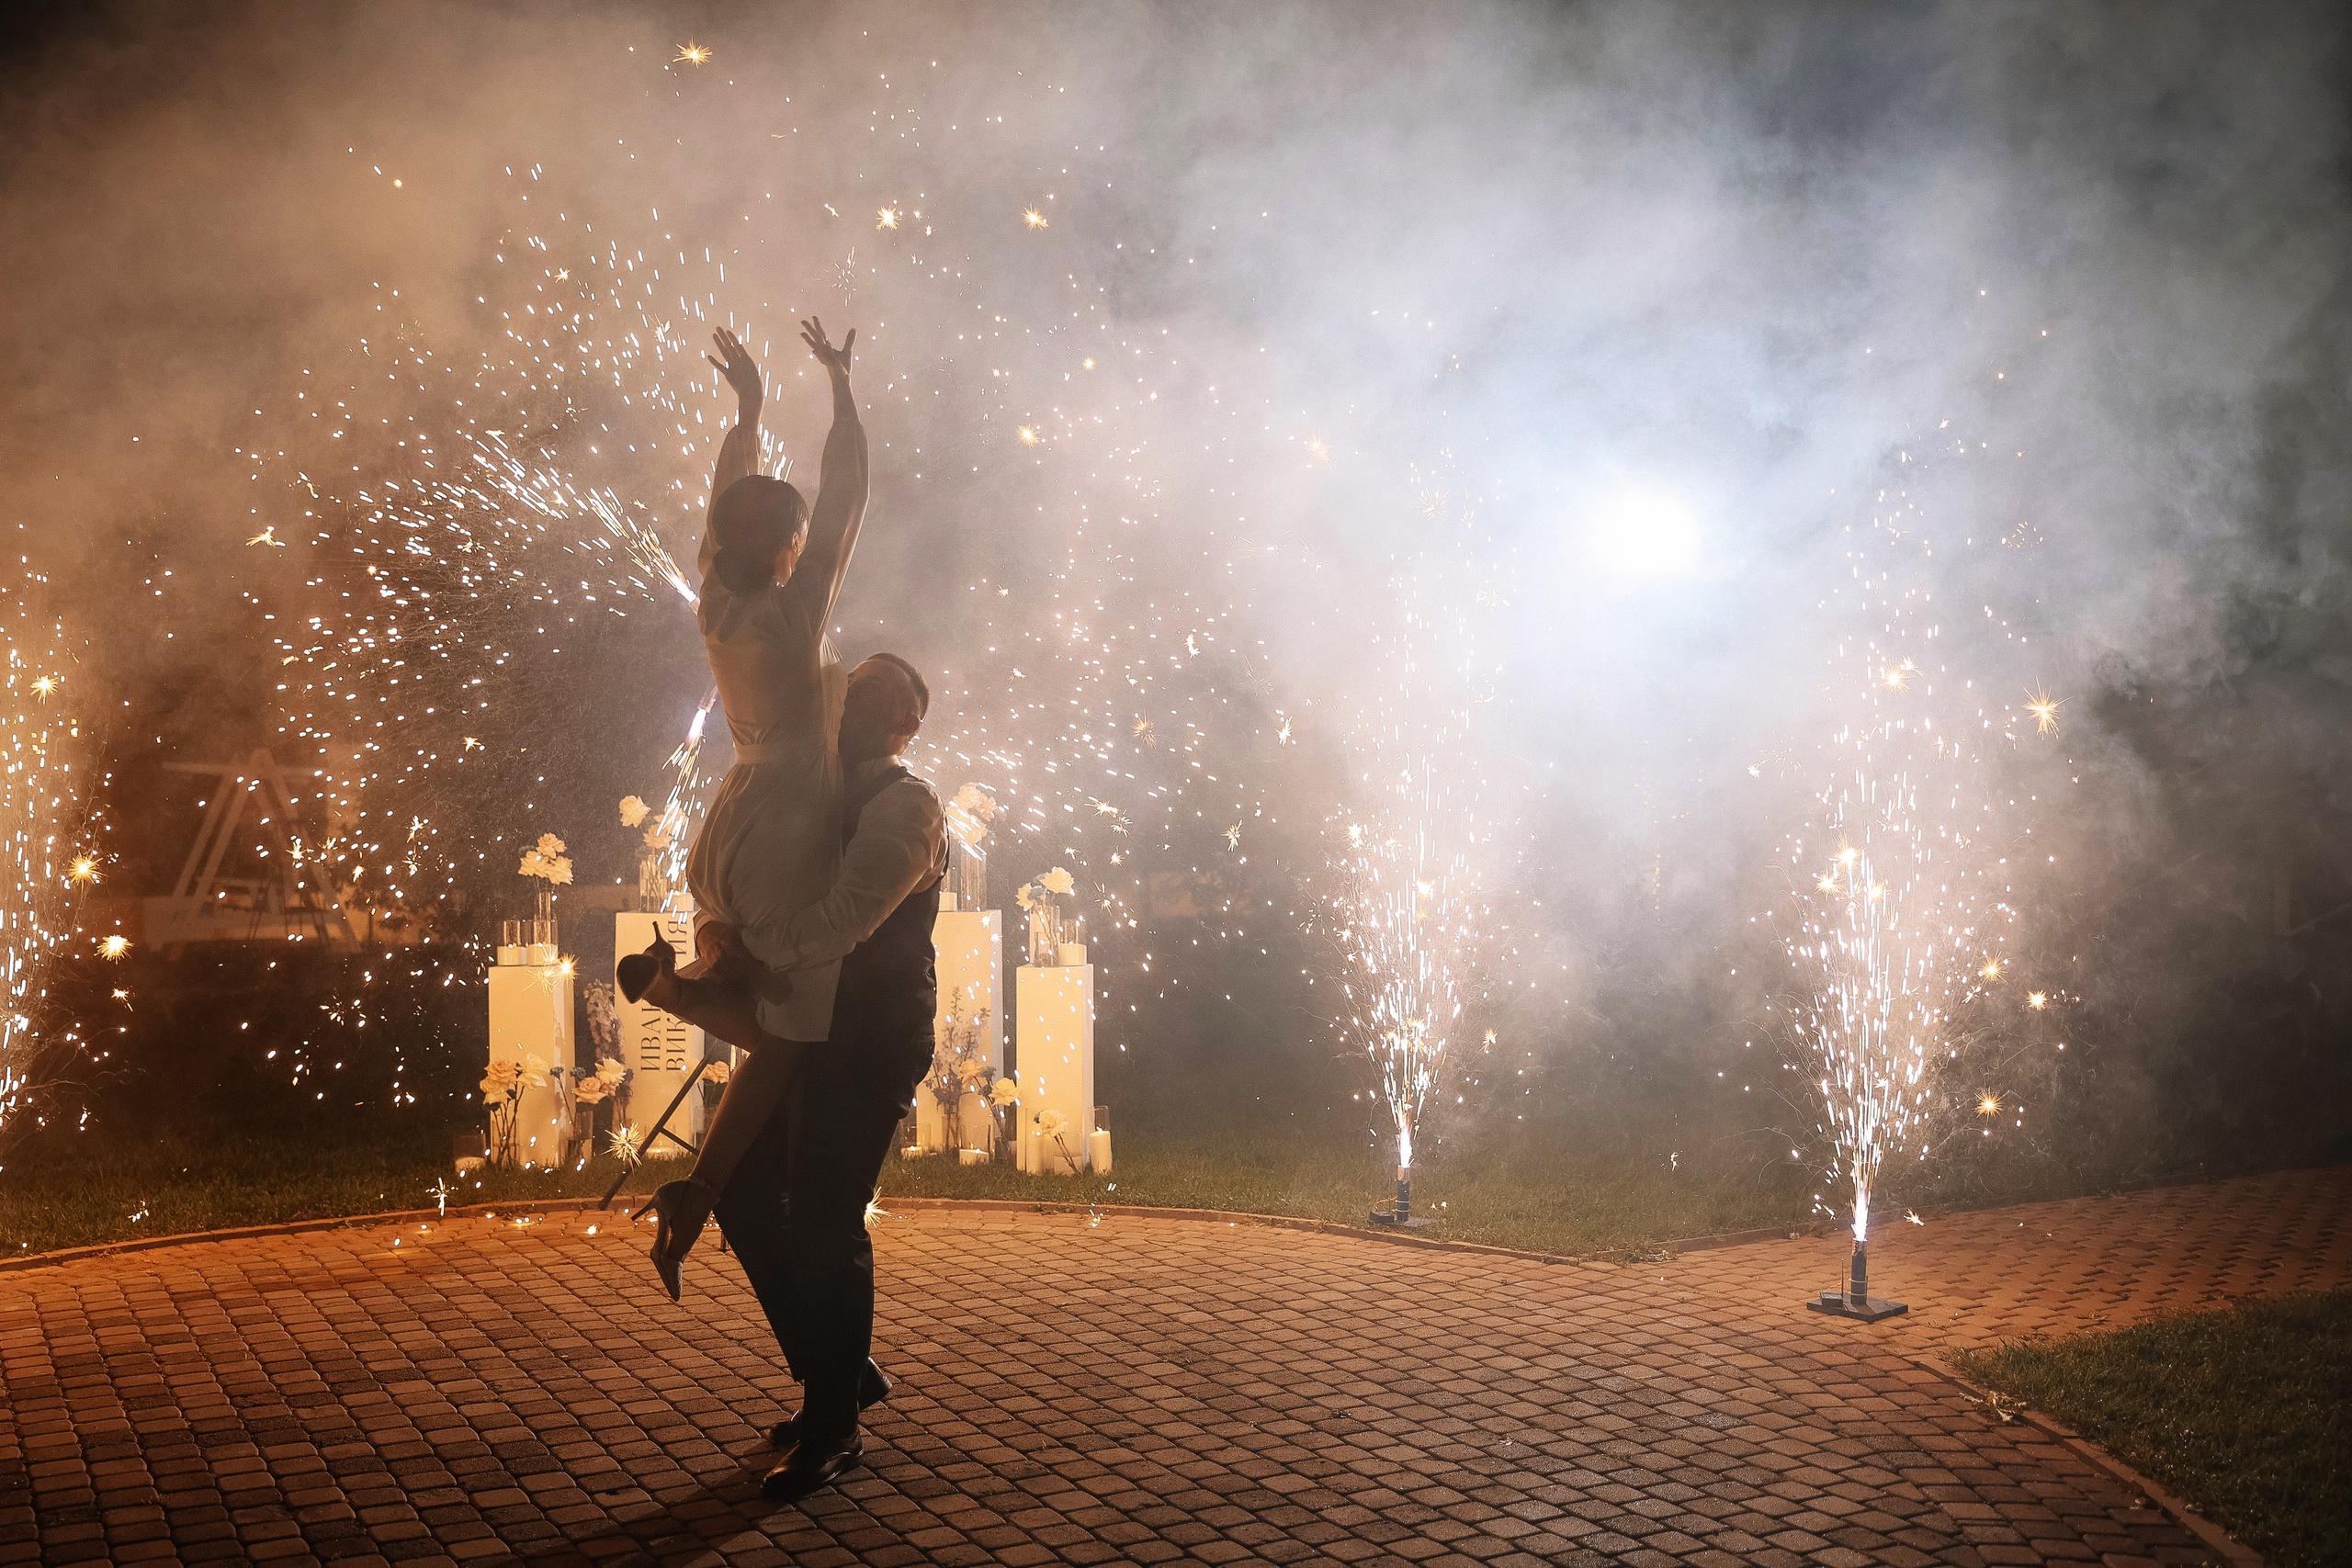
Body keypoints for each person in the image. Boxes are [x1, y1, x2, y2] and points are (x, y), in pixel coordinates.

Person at [616, 318, 867, 1300]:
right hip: (785, 825)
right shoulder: (794, 607)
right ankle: (680, 1001)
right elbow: (845, 499)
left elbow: (723, 508)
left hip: (731, 815)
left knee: (770, 1013)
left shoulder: (710, 605)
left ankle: (687, 997)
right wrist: (841, 395)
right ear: (791, 547)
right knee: (793, 1032)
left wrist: (750, 411)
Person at [716, 651, 946, 1502]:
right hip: (810, 1031)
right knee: (741, 1192)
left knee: (823, 1216)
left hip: (872, 1038)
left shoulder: (908, 807)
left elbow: (848, 918)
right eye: (846, 696)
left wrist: (760, 954)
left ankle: (834, 1423)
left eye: (868, 703)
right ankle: (839, 1374)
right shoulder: (812, 793)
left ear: (903, 725)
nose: (845, 712)